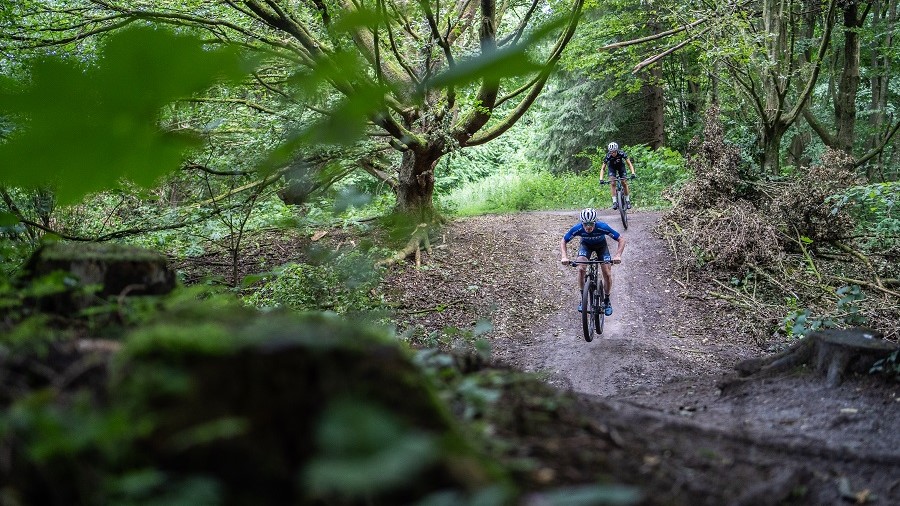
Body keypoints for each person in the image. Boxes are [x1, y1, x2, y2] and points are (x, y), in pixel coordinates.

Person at [559, 207, 626, 316]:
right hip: (586, 247)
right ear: (582, 223)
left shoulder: (602, 227)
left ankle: (607, 301)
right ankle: (583, 297)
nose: (588, 227)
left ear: (595, 222)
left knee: (607, 273)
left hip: (601, 247)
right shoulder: (577, 229)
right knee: (581, 268)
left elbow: (621, 239)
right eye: (585, 224)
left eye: (591, 224)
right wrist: (564, 256)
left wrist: (618, 255)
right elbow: (564, 241)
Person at [598, 142, 636, 210]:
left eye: (614, 152)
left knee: (624, 182)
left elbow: (629, 164)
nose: (613, 153)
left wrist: (633, 173)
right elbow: (603, 168)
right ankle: (614, 202)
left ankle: (627, 201)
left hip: (621, 167)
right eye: (611, 152)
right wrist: (601, 179)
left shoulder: (621, 153)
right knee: (612, 183)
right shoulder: (608, 156)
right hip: (612, 168)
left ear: (617, 150)